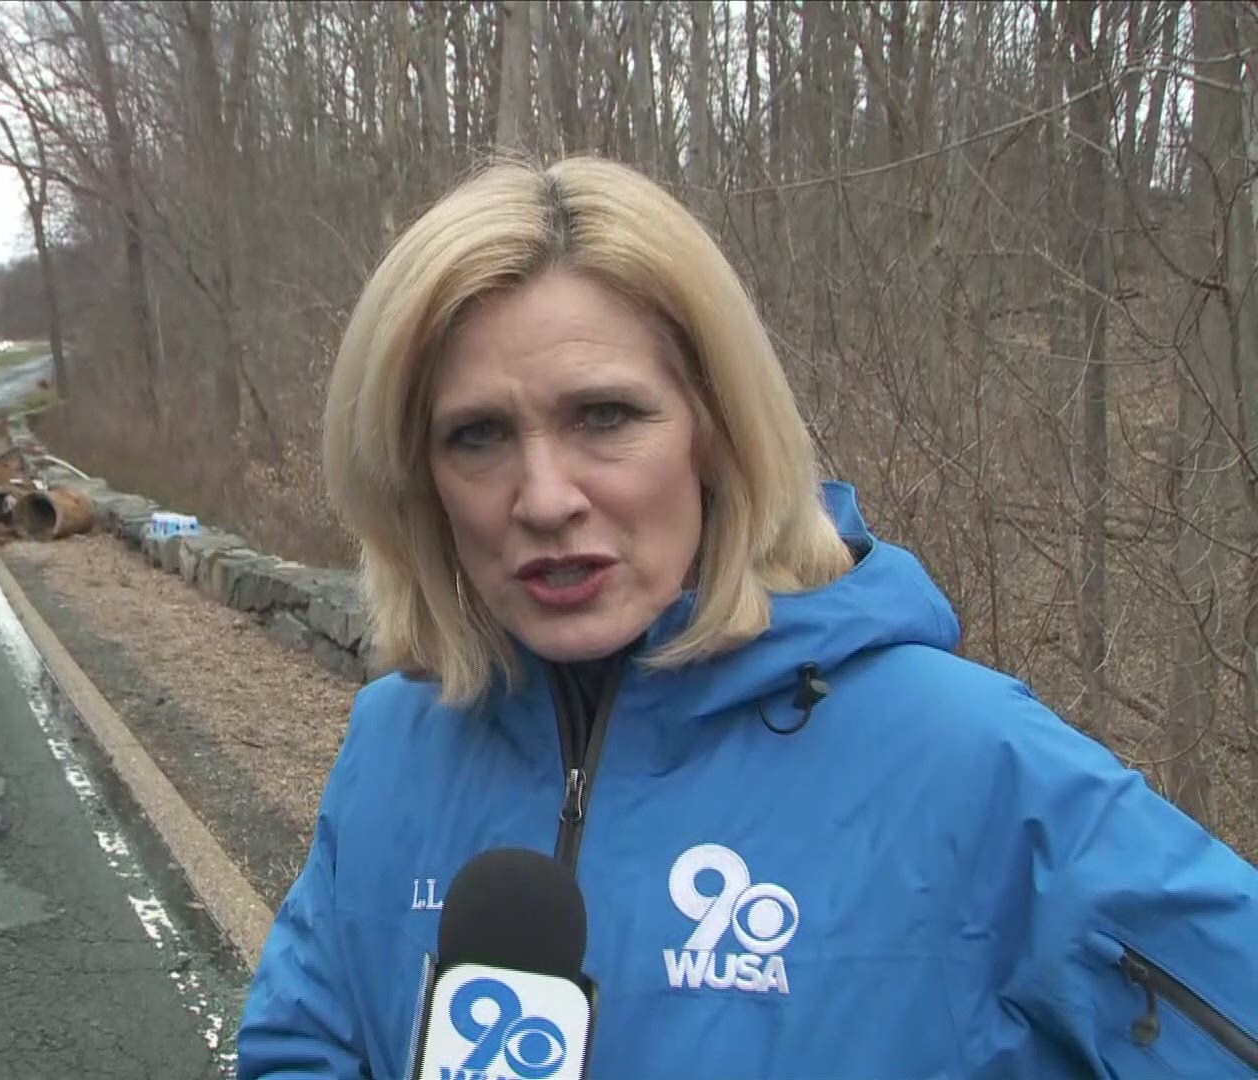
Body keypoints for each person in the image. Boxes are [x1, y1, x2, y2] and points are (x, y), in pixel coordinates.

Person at [235, 156, 1258, 1078]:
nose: (542, 498)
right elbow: (300, 1047)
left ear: (717, 433)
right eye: (478, 436)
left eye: (604, 417)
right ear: (418, 481)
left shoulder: (973, 763)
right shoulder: (393, 748)